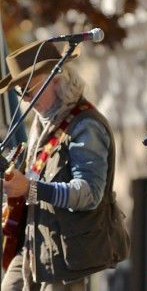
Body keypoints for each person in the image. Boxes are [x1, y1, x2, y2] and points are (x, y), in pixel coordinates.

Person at [0, 40, 129, 290]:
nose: (26, 100)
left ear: (56, 80)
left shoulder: (85, 126)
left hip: (66, 259)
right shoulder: (43, 125)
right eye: (20, 93)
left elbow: (89, 193)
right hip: (32, 247)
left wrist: (29, 188)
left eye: (29, 90)